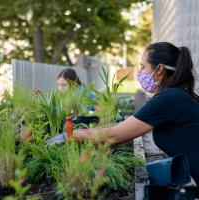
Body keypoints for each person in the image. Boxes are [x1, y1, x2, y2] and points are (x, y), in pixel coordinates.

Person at [74, 42, 199, 185]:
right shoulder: (177, 94)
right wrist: (86, 130)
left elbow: (114, 135)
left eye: (143, 66)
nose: (140, 72)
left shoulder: (169, 98)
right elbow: (124, 126)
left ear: (159, 69)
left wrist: (71, 135)